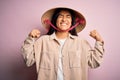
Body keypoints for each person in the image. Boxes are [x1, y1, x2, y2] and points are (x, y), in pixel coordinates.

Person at [21, 7, 104, 80]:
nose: (64, 19)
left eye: (68, 17)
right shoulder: (43, 41)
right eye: (60, 16)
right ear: (55, 20)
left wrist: (99, 41)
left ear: (72, 22)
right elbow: (28, 60)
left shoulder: (81, 43)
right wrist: (30, 38)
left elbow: (94, 63)